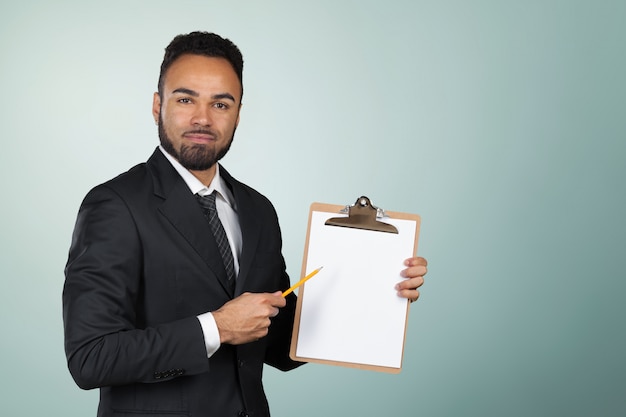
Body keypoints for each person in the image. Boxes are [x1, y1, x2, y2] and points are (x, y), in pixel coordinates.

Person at [62, 31, 428, 417]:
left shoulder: (257, 210)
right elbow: (91, 358)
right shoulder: (114, 205)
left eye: (221, 103)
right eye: (185, 99)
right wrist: (216, 328)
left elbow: (280, 343)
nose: (202, 118)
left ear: (238, 113)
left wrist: (376, 291)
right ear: (157, 106)